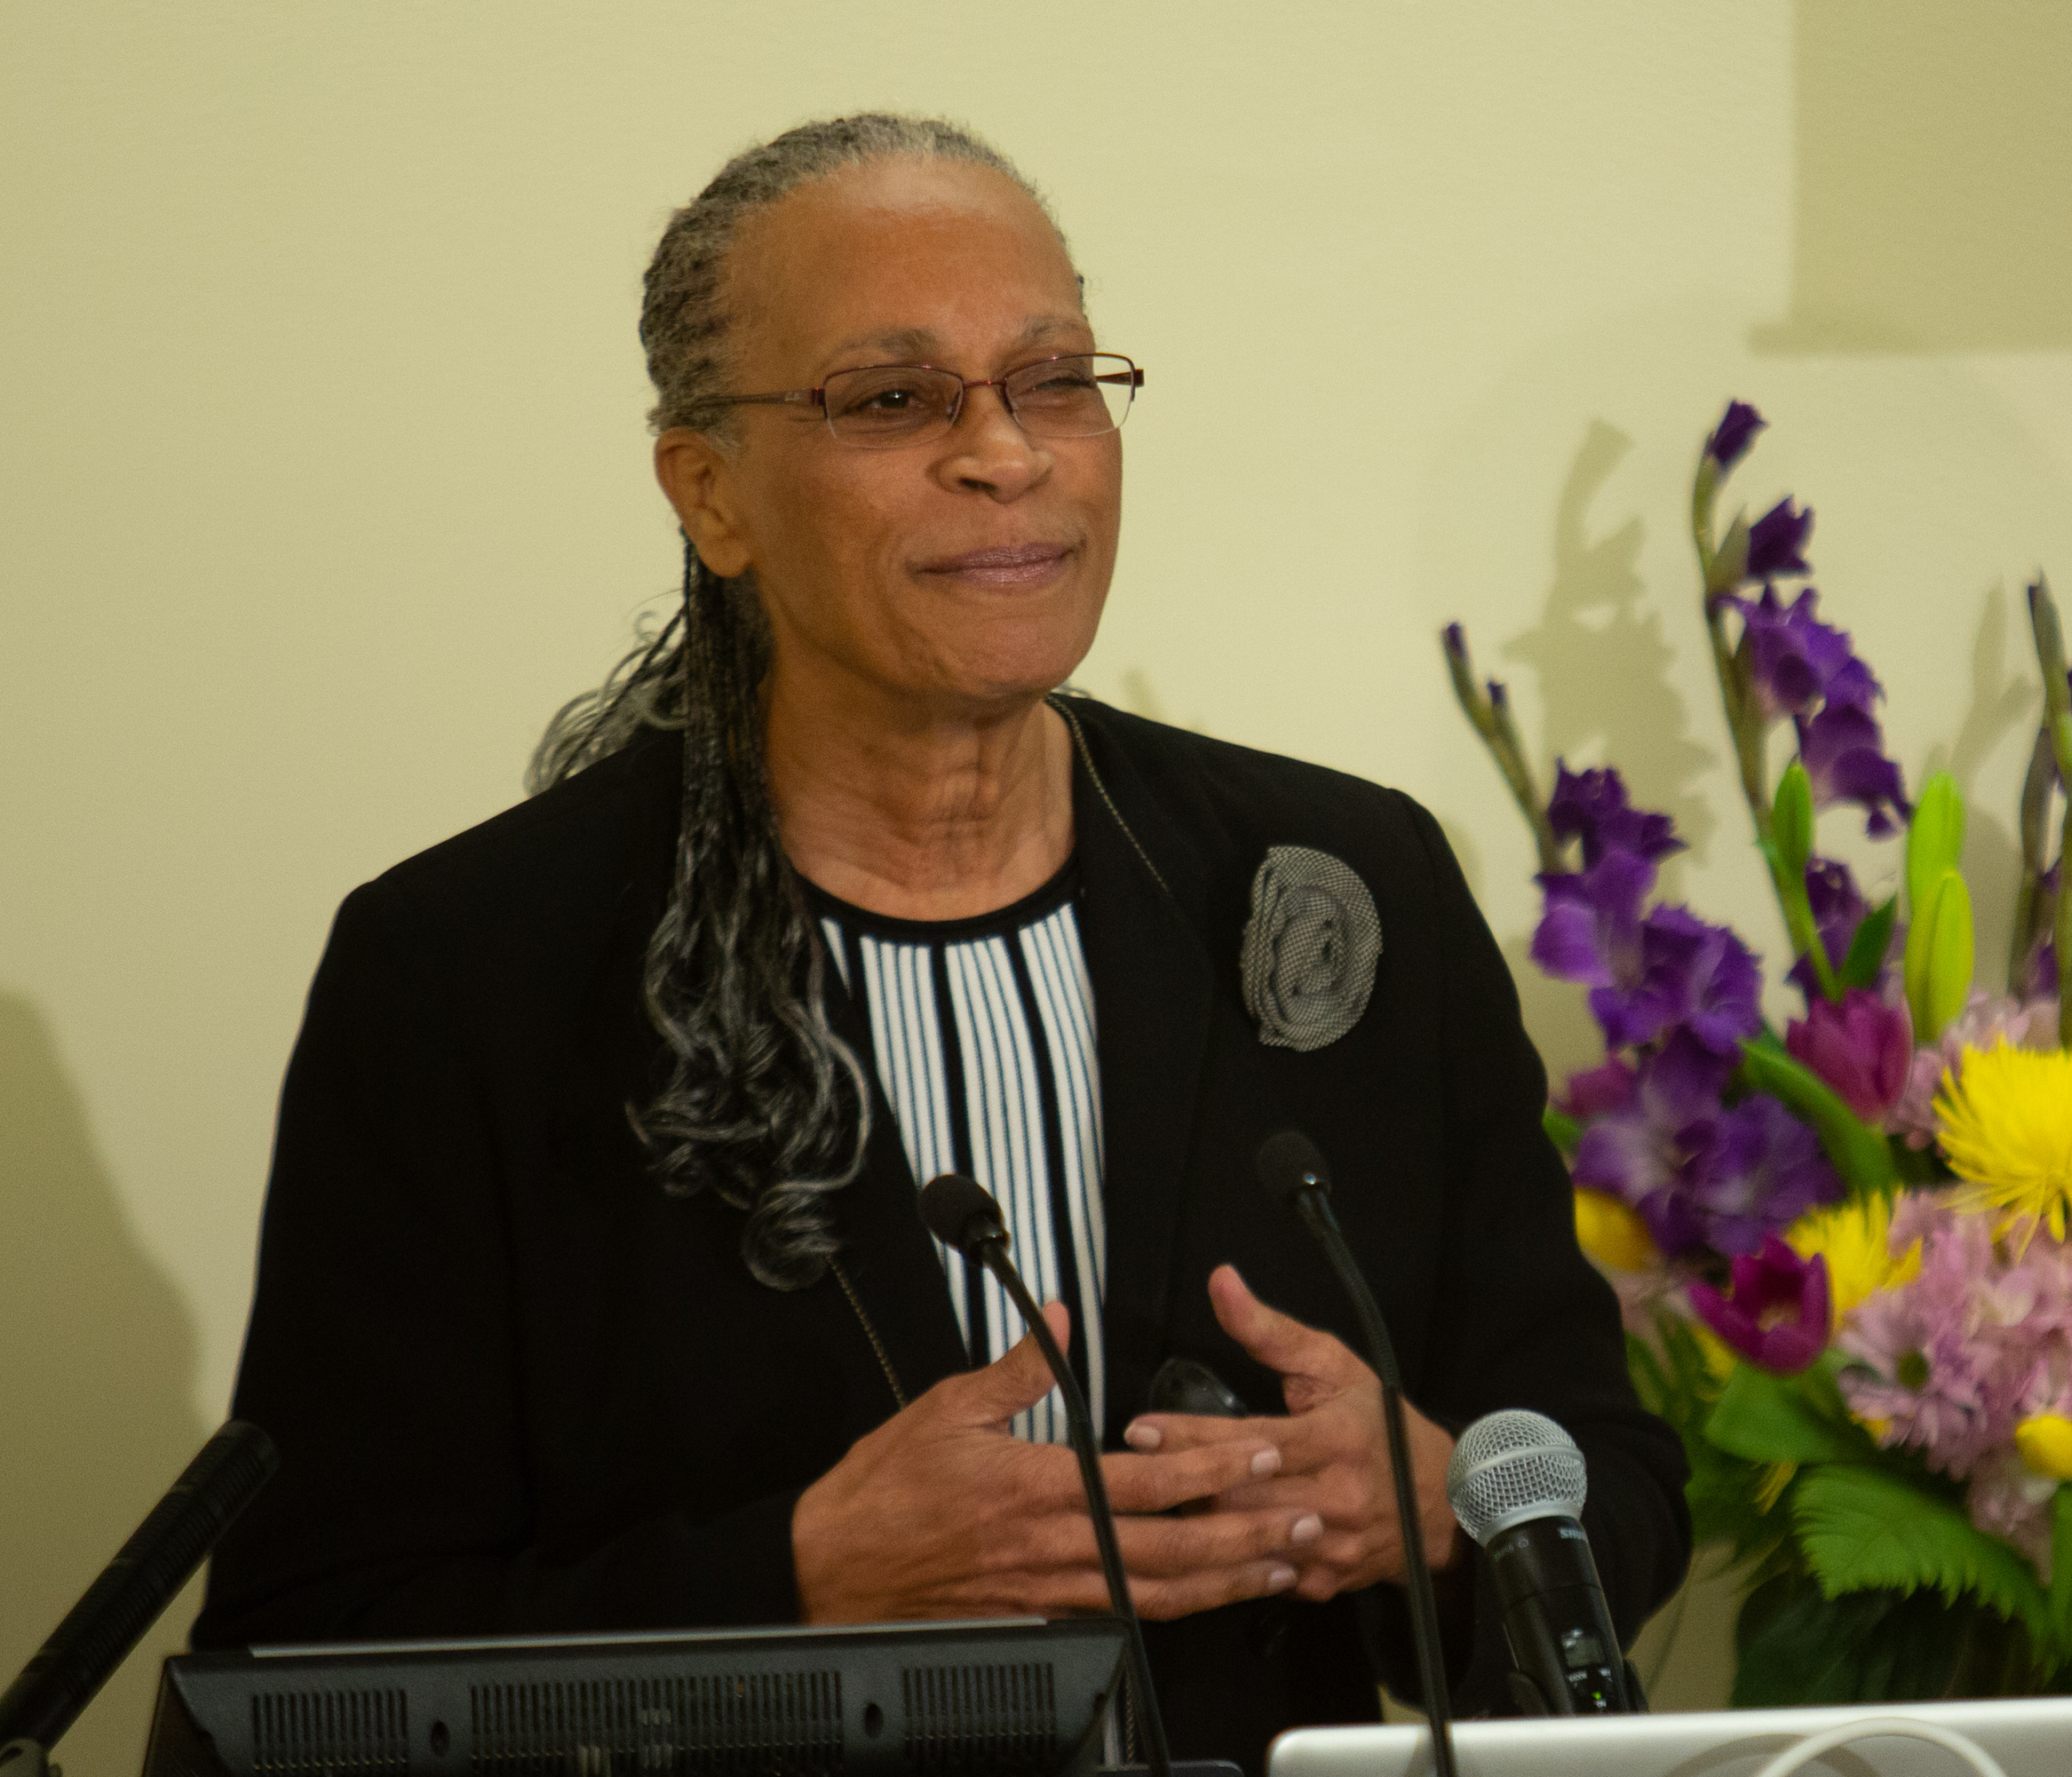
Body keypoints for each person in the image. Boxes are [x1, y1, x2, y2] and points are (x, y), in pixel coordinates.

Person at [195, 113, 1688, 1766]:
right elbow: (305, 1652)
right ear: (712, 492)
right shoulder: (473, 973)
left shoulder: (1354, 879)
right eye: (893, 399)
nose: (1007, 452)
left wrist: (1436, 1510)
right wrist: (790, 1584)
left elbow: (1611, 1492)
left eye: (1054, 381)